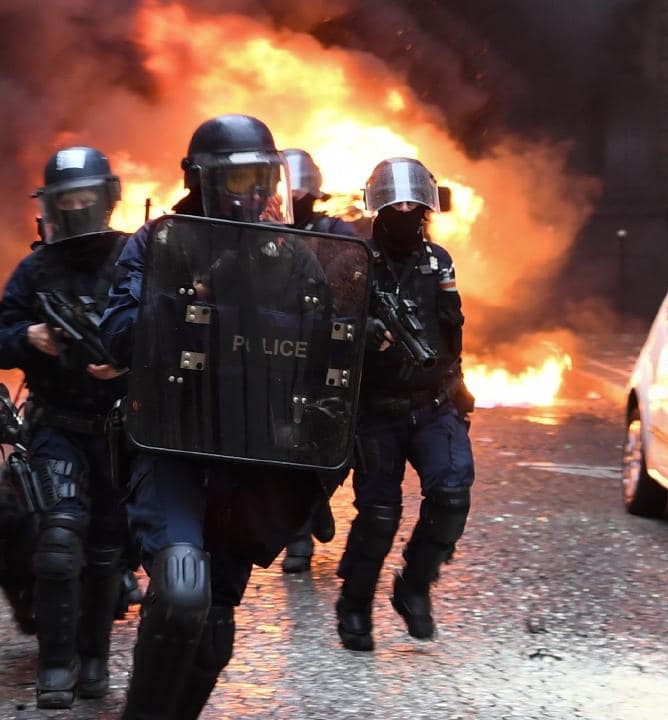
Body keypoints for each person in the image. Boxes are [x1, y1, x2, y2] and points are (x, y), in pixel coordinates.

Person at [100, 115, 334, 719]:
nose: (252, 194)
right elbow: (118, 334)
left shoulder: (294, 259)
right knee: (181, 590)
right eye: (237, 180)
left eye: (262, 179)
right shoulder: (159, 243)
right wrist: (190, 299)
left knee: (214, 626)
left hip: (250, 456)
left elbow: (322, 354)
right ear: (200, 181)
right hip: (172, 444)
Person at [0, 146, 129, 709]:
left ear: (106, 198)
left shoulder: (135, 257)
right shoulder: (36, 269)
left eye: (86, 197)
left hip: (119, 428)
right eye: (67, 200)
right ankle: (56, 665)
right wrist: (30, 337)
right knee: (60, 543)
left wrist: (127, 362)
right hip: (58, 423)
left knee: (108, 549)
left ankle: (95, 660)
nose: (77, 208)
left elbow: (170, 328)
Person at [333, 157, 475, 652]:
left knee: (452, 495)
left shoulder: (438, 261)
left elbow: (451, 330)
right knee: (378, 516)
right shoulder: (354, 260)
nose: (407, 212)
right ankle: (354, 605)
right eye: (396, 205)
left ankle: (414, 585)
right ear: (378, 207)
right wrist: (360, 330)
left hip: (434, 403)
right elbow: (322, 326)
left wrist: (458, 389)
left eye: (415, 205)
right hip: (376, 410)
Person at [280, 147, 362, 574]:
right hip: (277, 352)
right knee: (284, 445)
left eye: (302, 195)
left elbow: (356, 280)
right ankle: (297, 534)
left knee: (339, 445)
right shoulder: (263, 232)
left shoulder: (336, 233)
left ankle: (314, 501)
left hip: (326, 352)